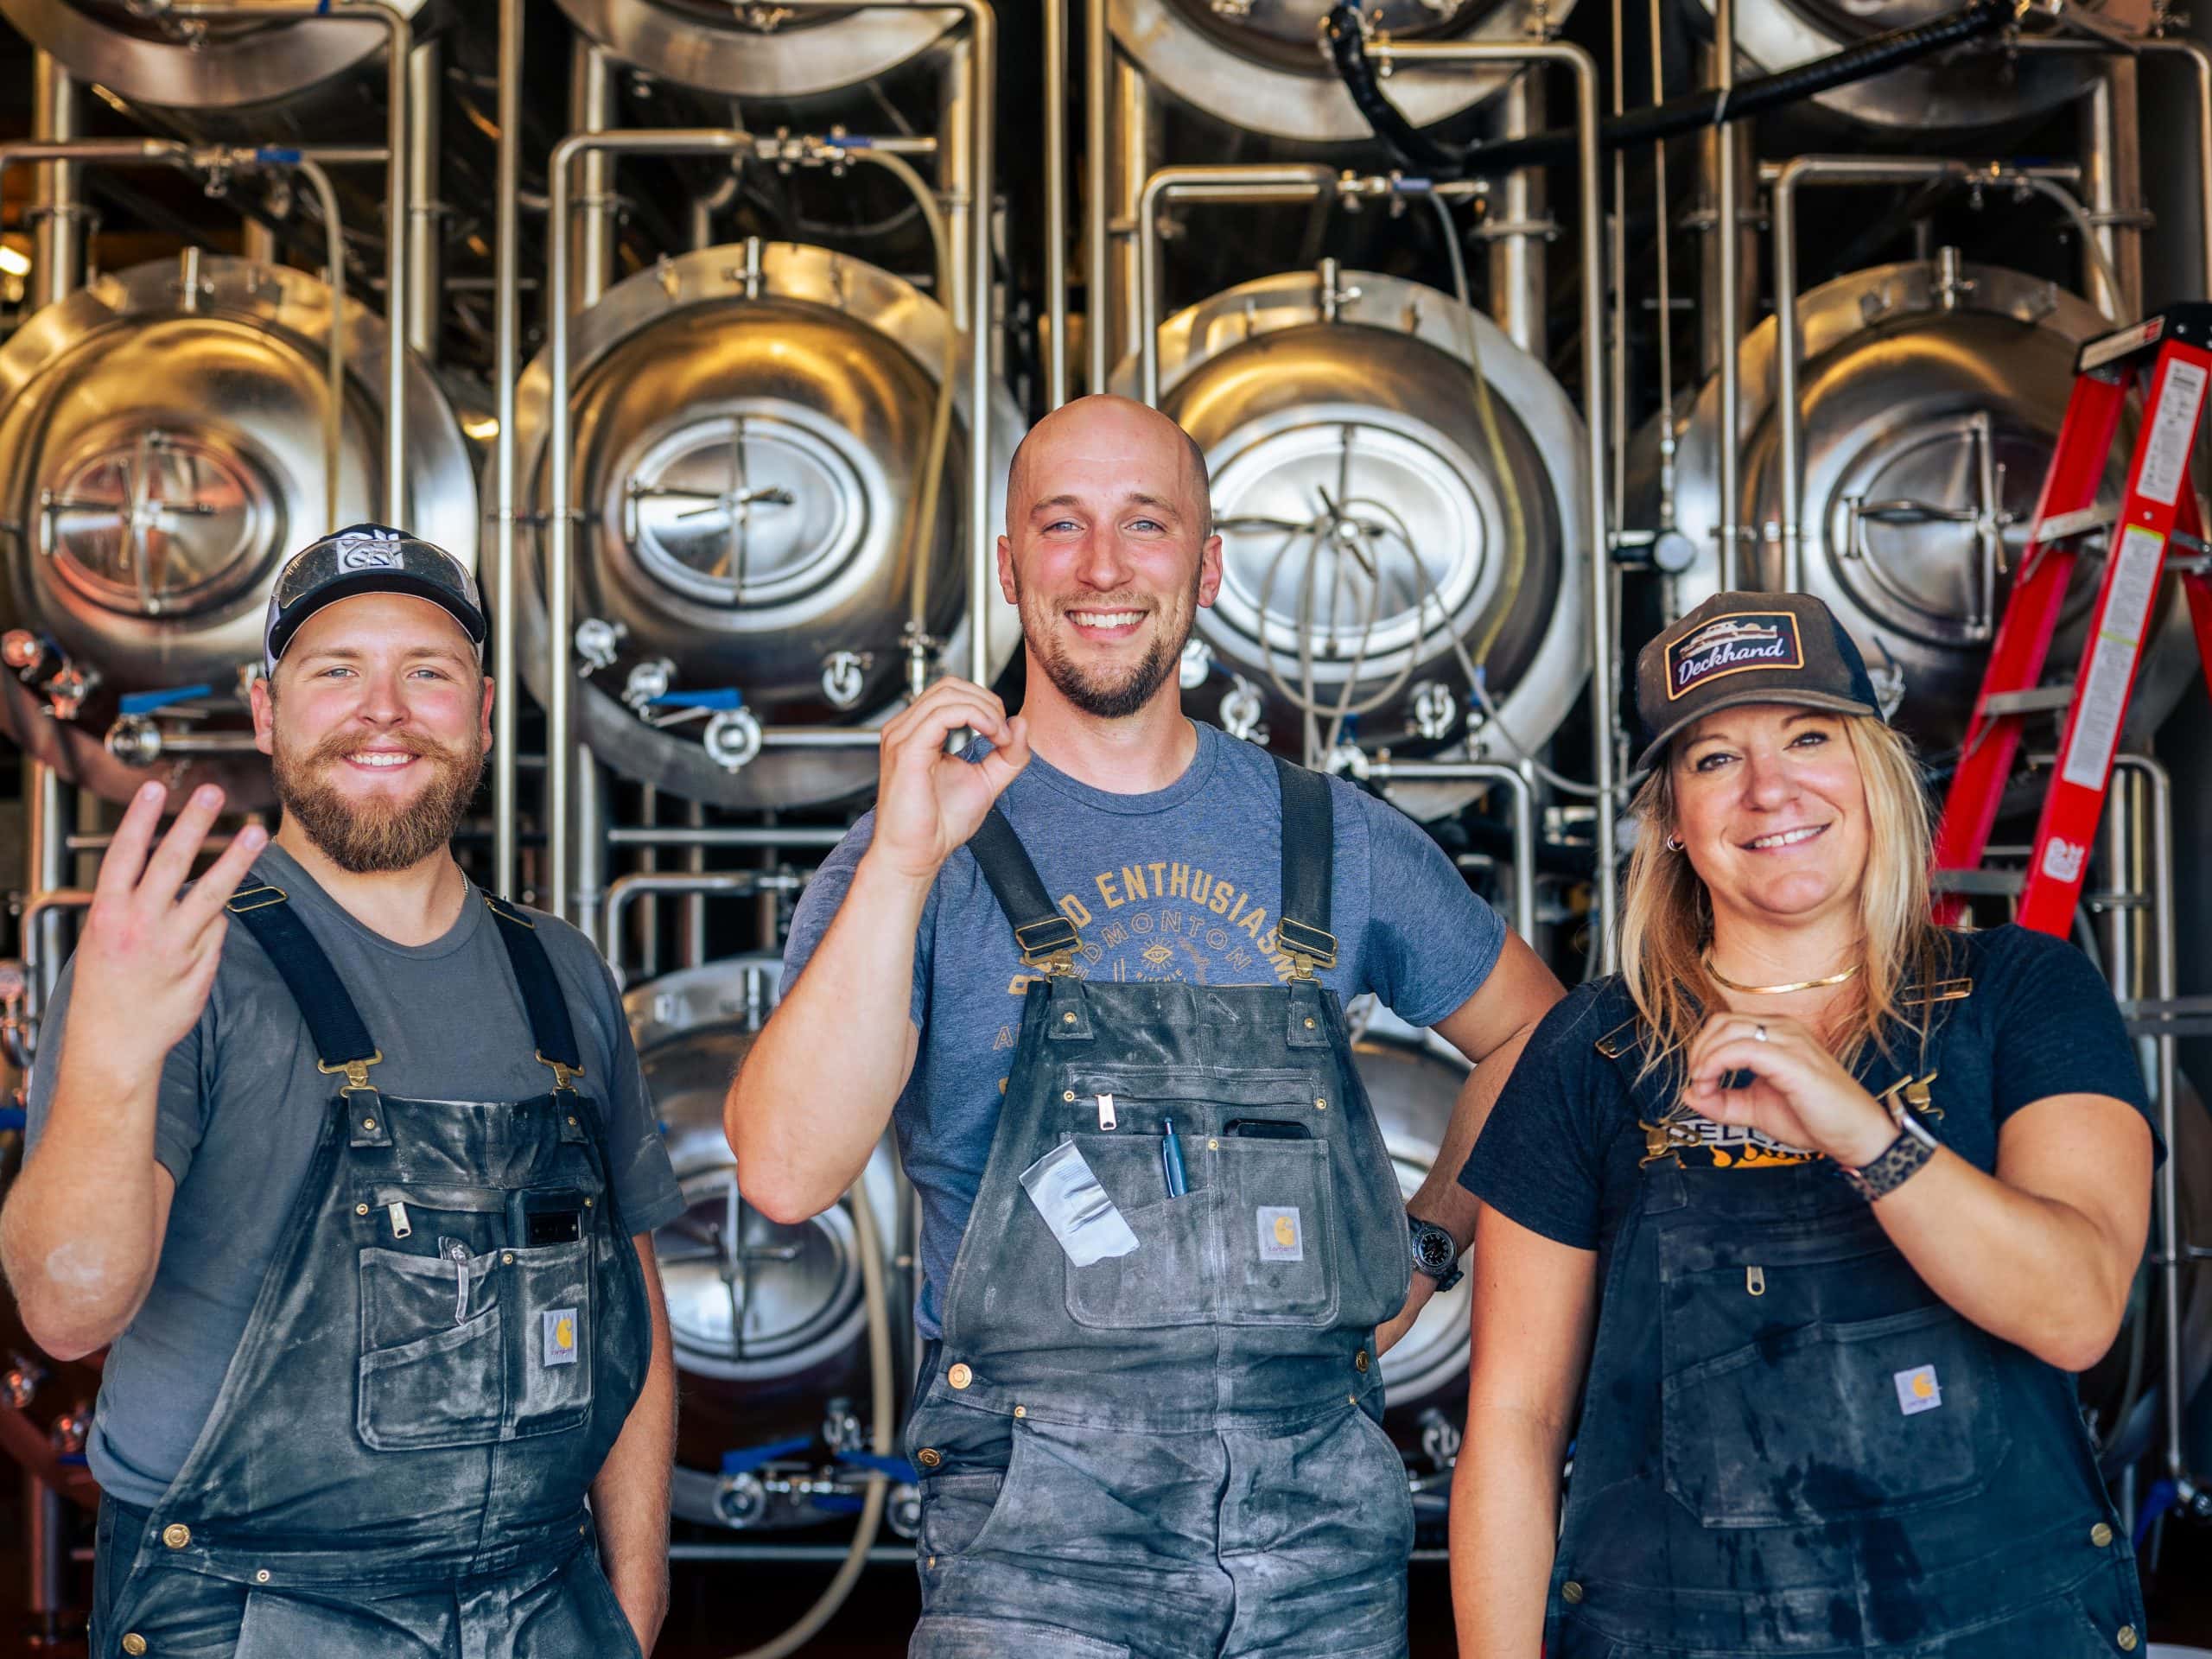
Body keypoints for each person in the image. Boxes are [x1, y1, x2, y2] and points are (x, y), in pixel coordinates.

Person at [727, 392, 1563, 1659]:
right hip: (1034, 1536)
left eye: (1147, 525)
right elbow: (786, 1172)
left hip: (1320, 1528)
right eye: (1060, 527)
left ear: (1209, 565)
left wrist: (1430, 1248)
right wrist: (904, 862)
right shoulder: (907, 851)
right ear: (1009, 568)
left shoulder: (1333, 835)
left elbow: (1536, 1040)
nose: (1104, 568)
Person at [2, 524, 683, 1658]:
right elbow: (68, 1312)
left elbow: (628, 1302)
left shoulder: (561, 970)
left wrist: (638, 1588)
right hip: (245, 1613)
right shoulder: (173, 958)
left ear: (479, 710)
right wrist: (113, 1057)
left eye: (427, 671)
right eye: (336, 672)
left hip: (544, 1599)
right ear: (267, 712)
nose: (384, 709)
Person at [1452, 590, 2158, 1657]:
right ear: (1674, 825)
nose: (1769, 789)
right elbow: (1512, 1429)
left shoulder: (2021, 993)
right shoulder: (1596, 1047)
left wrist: (1863, 1130)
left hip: (1997, 1626)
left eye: (1807, 737)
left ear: (1872, 771)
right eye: (1712, 759)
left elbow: (2075, 1309)